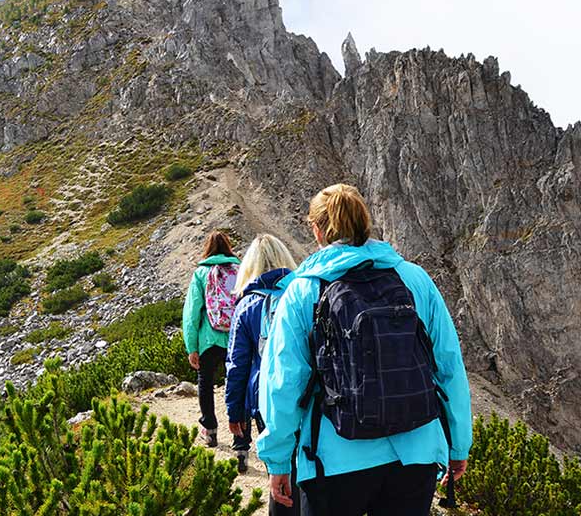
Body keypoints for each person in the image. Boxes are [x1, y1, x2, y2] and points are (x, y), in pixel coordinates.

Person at [257, 184, 472, 516]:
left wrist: (279, 460)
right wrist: (458, 443)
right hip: (415, 452)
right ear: (365, 222)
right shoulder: (414, 278)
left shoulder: (304, 290)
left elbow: (283, 383)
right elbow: (448, 366)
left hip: (334, 458)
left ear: (317, 230)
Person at [225, 234, 299, 515]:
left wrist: (234, 412)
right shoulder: (301, 294)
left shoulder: (246, 306)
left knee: (279, 471)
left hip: (265, 401)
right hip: (305, 394)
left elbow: (237, 365)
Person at [183, 230, 241, 447]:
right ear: (228, 246)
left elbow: (192, 312)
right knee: (236, 384)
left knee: (205, 383)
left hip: (209, 340)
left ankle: (210, 430)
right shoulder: (239, 269)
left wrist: (192, 346)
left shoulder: (201, 273)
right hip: (236, 338)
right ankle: (239, 436)